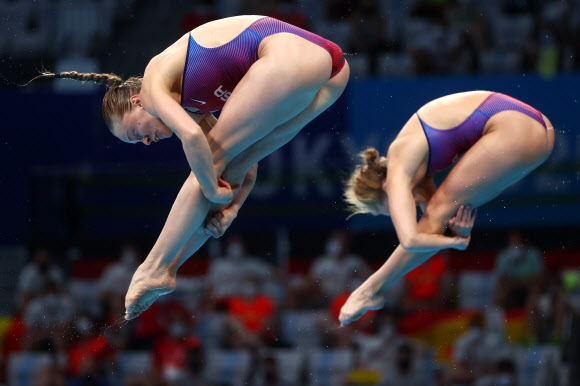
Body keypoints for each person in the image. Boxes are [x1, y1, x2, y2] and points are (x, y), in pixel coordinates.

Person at [30, 15, 349, 320]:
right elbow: (248, 167)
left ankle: (153, 267)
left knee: (208, 161)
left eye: (135, 132)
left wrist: (211, 188)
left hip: (292, 54)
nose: (144, 141)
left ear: (138, 102)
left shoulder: (154, 84)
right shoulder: (195, 104)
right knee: (230, 163)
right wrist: (233, 206)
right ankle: (170, 268)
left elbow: (193, 138)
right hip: (332, 71)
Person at [339, 91, 554, 326]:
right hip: (537, 128)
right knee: (448, 209)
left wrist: (454, 243)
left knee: (438, 211)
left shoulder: (397, 168)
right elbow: (437, 227)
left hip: (516, 127)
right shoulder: (420, 171)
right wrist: (454, 234)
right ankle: (371, 290)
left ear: (382, 189)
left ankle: (368, 289)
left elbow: (411, 240)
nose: (395, 210)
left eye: (384, 209)